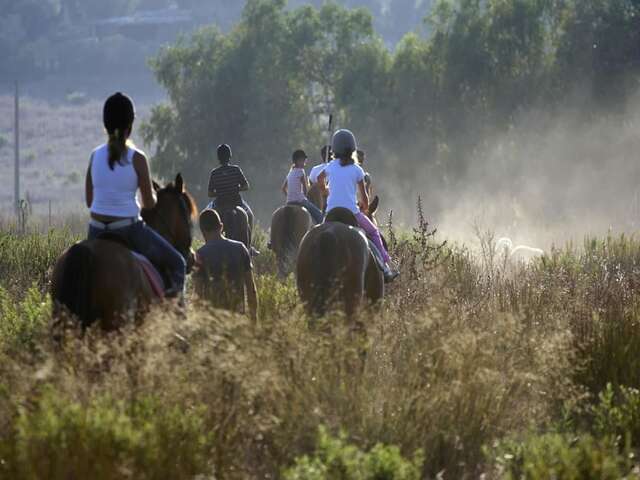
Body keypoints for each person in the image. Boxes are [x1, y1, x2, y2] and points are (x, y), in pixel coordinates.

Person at [85, 92, 186, 296]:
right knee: (178, 263)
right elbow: (149, 204)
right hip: (128, 230)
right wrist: (151, 198)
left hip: (95, 232)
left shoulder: (94, 155)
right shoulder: (137, 158)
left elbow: (90, 202)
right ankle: (174, 320)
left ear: (106, 125)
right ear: (130, 126)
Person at [318, 129, 399, 282]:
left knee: (316, 233)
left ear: (334, 150)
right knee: (374, 232)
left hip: (331, 213)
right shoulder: (357, 170)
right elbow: (365, 199)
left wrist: (325, 191)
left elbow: (319, 178)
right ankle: (386, 266)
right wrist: (363, 206)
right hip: (352, 213)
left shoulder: (330, 166)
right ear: (353, 149)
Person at [194, 209, 258, 323]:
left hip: (213, 323)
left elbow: (198, 294)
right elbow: (251, 288)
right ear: (221, 226)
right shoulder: (241, 248)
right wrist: (254, 320)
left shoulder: (200, 255)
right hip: (238, 320)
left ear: (202, 231)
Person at [207, 144, 255, 230]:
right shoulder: (236, 169)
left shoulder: (214, 173)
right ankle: (248, 242)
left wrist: (220, 192)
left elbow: (210, 193)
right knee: (250, 215)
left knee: (205, 215)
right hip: (236, 202)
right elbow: (246, 186)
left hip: (220, 203)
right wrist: (236, 189)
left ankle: (208, 241)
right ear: (230, 156)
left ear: (218, 158)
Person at [281, 149, 324, 224]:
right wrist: (305, 197)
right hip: (300, 201)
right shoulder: (301, 171)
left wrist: (290, 196)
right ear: (297, 161)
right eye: (302, 161)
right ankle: (322, 225)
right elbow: (305, 189)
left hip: (289, 202)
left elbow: (283, 188)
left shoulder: (290, 173)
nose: (304, 163)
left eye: (304, 160)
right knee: (318, 214)